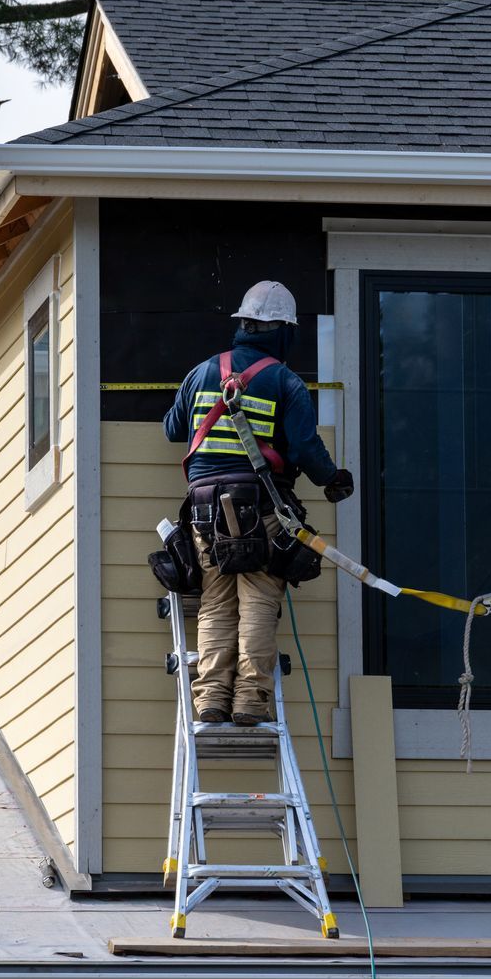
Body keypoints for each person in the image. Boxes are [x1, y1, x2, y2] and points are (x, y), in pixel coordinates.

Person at [164, 280, 354, 726]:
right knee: (259, 599)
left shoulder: (201, 372)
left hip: (205, 509)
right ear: (283, 332)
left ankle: (210, 698)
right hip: (262, 506)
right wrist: (333, 480)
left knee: (214, 601)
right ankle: (250, 700)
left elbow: (174, 430)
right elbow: (305, 447)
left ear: (244, 325)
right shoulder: (285, 381)